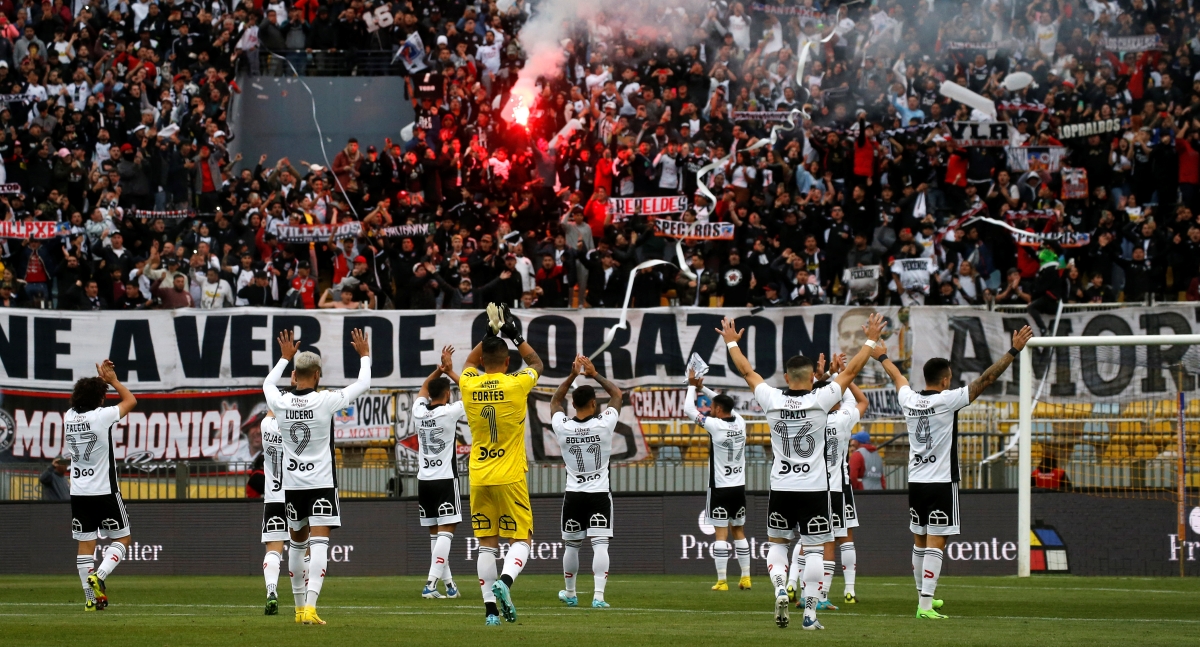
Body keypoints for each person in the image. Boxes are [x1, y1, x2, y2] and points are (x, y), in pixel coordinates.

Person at [720, 313, 885, 631]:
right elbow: (850, 371)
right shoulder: (822, 399)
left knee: (778, 545)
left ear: (785, 375)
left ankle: (781, 586)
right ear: (812, 378)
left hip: (782, 486)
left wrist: (730, 342)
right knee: (813, 550)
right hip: (815, 489)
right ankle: (809, 614)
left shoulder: (771, 398)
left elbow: (746, 371)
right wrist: (870, 339)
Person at [870, 325, 1033, 619]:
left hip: (916, 481)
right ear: (945, 380)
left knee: (919, 541)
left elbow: (897, 376)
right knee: (937, 542)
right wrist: (1014, 350)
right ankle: (925, 606)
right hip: (942, 482)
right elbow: (988, 378)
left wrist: (881, 356)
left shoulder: (908, 398)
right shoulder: (948, 400)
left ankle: (923, 598)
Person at [263, 328, 372, 625]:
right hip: (322, 483)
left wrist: (284, 358)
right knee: (319, 545)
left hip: (292, 484)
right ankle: (310, 607)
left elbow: (268, 383)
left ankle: (299, 610)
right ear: (318, 374)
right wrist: (364, 355)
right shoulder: (326, 400)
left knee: (297, 545)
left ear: (296, 374)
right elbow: (364, 383)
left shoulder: (280, 403)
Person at [458, 303, 544, 626]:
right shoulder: (516, 383)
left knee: (486, 545)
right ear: (508, 363)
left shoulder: (468, 383)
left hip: (479, 475)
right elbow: (537, 363)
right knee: (521, 540)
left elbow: (467, 362)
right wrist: (514, 333)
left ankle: (490, 612)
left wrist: (489, 332)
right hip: (509, 475)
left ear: (483, 361)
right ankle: (504, 584)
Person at [549, 355, 622, 609]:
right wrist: (594, 374)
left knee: (572, 546)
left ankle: (571, 593)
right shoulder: (604, 425)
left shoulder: (563, 426)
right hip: (599, 493)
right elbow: (617, 395)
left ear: (573, 403)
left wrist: (572, 375)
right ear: (593, 403)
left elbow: (555, 401)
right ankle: (599, 597)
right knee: (600, 544)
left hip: (574, 493)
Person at [65, 359, 138, 611]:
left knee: (85, 546)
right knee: (123, 538)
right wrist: (112, 381)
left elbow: (83, 398)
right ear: (100, 399)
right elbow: (131, 401)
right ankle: (100, 576)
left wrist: (96, 384)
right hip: (105, 491)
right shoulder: (102, 416)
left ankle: (89, 597)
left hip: (78, 492)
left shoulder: (68, 417)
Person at [682, 369, 751, 592]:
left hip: (720, 488)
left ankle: (722, 581)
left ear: (718, 410)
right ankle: (746, 577)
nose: (710, 410)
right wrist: (704, 389)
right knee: (739, 531)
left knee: (721, 534)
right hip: (739, 488)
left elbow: (688, 409)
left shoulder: (715, 425)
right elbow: (723, 404)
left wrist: (693, 386)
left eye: (712, 408)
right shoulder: (740, 421)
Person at [413, 346, 466, 600]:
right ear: (447, 394)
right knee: (447, 530)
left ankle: (449, 585)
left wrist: (438, 370)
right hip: (445, 479)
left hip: (424, 481)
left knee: (436, 535)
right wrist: (450, 370)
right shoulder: (451, 410)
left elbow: (424, 388)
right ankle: (430, 583)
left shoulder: (418, 412)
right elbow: (471, 392)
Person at [256, 411, 287, 616]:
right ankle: (304, 602)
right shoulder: (296, 430)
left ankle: (271, 592)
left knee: (273, 551)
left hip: (273, 498)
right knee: (304, 550)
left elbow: (270, 410)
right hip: (297, 495)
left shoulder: (266, 425)